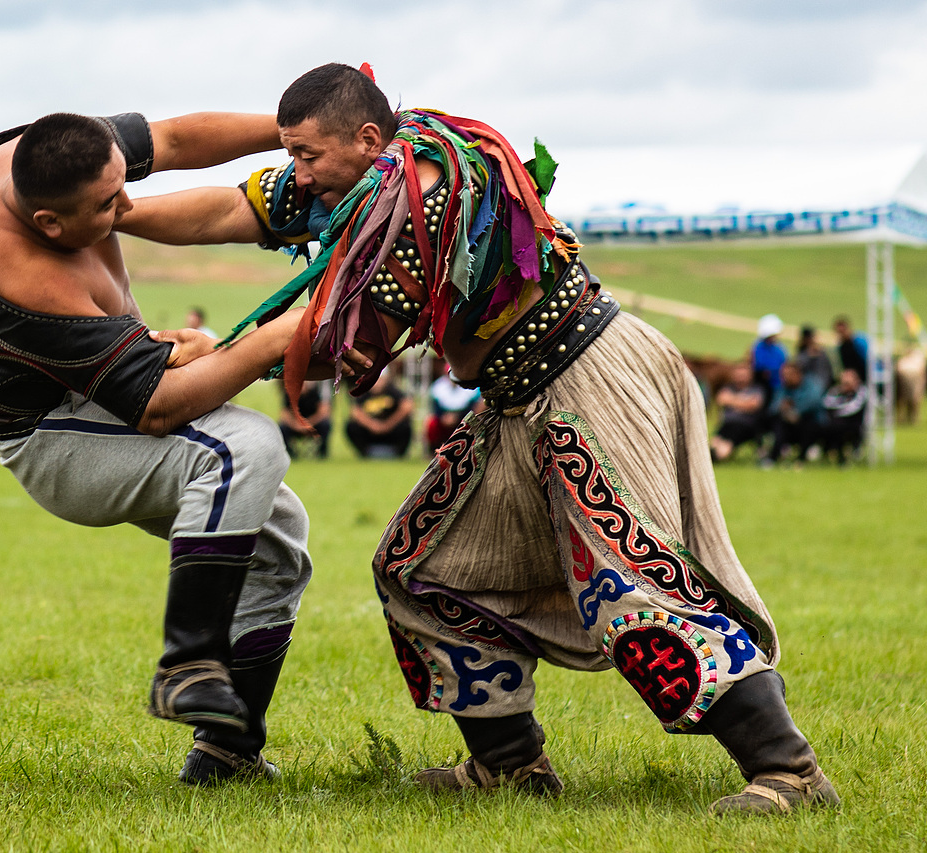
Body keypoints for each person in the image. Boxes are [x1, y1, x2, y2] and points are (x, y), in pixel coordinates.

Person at [118, 63, 837, 814]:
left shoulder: (418, 196)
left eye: (306, 155)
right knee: (423, 567)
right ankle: (510, 764)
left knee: (631, 581)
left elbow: (343, 341)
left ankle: (788, 770)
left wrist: (222, 352)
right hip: (520, 393)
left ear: (367, 138)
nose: (295, 172)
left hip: (584, 379)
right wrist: (114, 214)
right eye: (291, 153)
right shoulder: (370, 173)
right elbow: (233, 209)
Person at [0, 109, 357, 785]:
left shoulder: (51, 152)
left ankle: (226, 754)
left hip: (97, 399)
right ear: (49, 224)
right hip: (50, 436)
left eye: (121, 184)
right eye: (108, 205)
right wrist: (277, 337)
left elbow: (174, 140)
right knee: (244, 446)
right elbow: (159, 407)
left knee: (277, 538)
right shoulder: (22, 276)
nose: (128, 206)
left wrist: (296, 133)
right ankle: (186, 662)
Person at [762, 361, 826, 467]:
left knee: (809, 425)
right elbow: (773, 408)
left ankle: (801, 459)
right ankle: (772, 458)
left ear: (798, 374)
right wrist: (782, 407)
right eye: (783, 375)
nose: (785, 378)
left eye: (789, 374)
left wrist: (796, 410)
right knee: (778, 424)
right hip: (788, 422)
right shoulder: (782, 388)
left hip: (811, 422)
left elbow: (814, 402)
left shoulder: (812, 385)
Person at [345, 367, 415, 458]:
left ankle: (398, 452)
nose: (377, 383)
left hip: (391, 432)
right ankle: (365, 452)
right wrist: (373, 425)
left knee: (405, 426)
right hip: (370, 433)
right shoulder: (363, 393)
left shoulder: (393, 391)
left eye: (379, 380)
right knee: (352, 426)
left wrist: (388, 424)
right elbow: (355, 412)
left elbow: (407, 406)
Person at [709, 363, 766, 463]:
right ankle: (712, 456)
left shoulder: (757, 389)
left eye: (743, 375)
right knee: (713, 443)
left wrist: (732, 400)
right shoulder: (728, 387)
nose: (741, 378)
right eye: (738, 375)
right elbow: (721, 399)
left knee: (725, 446)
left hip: (744, 426)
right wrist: (743, 402)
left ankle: (717, 457)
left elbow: (754, 404)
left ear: (750, 376)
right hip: (727, 424)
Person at [425, 363, 483, 454]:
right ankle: (433, 450)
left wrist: (457, 418)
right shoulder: (438, 387)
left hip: (462, 418)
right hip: (443, 419)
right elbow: (435, 407)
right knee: (431, 422)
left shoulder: (470, 387)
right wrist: (443, 418)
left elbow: (472, 408)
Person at [822, 368, 867, 465]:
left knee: (839, 425)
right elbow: (826, 403)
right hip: (836, 422)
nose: (846, 384)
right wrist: (841, 392)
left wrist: (837, 411)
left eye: (848, 382)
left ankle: (847, 452)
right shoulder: (836, 390)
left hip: (855, 424)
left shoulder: (862, 391)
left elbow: (854, 408)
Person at [277, 379, 331, 458]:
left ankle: (322, 451)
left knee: (325, 424)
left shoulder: (314, 394)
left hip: (313, 424)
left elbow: (323, 412)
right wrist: (296, 425)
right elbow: (285, 414)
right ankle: (290, 453)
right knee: (282, 427)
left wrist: (307, 424)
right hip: (296, 425)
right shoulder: (289, 395)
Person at [751, 314, 788, 407]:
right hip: (764, 385)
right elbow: (759, 365)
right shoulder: (759, 347)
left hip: (778, 385)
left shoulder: (779, 347)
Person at [795, 325, 833, 393]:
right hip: (809, 386)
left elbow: (828, 369)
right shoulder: (802, 353)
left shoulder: (821, 351)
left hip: (822, 384)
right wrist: (810, 356)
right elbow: (799, 368)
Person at [832, 316, 869, 383]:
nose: (841, 335)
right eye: (839, 332)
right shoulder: (841, 347)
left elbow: (867, 361)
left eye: (842, 332)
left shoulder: (859, 342)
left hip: (864, 375)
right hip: (851, 376)